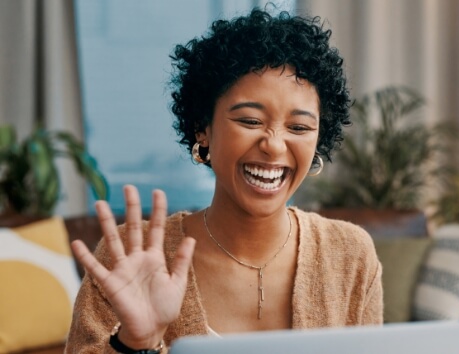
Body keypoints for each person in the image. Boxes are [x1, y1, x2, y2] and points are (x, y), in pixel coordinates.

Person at [65, 8, 383, 353]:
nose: (274, 145)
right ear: (204, 127)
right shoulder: (132, 255)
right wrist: (134, 344)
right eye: (250, 120)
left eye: (299, 127)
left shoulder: (350, 254)